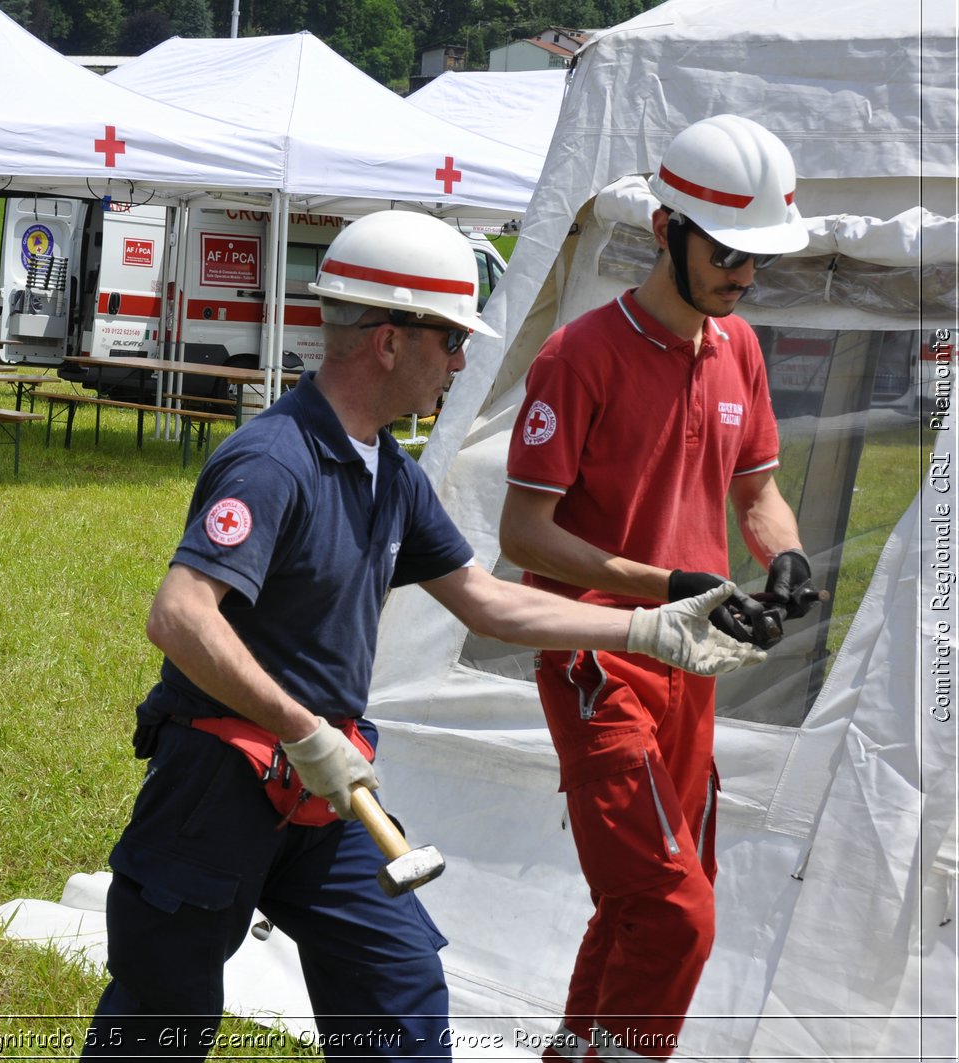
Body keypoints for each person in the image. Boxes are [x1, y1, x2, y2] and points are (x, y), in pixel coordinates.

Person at [82, 209, 767, 1061]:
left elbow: (487, 602)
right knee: (161, 1024)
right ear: (388, 340)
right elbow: (180, 614)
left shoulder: (392, 473)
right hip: (219, 788)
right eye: (451, 341)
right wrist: (300, 728)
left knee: (401, 1005)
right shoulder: (274, 460)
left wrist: (650, 626)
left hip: (327, 794)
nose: (462, 361)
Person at [499, 115, 823, 1062]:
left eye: (758, 258)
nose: (744, 276)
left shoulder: (738, 348)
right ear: (665, 230)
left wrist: (785, 555)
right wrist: (668, 583)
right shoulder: (578, 355)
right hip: (598, 655)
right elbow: (523, 534)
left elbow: (756, 490)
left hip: (694, 661)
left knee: (646, 897)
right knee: (678, 912)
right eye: (728, 252)